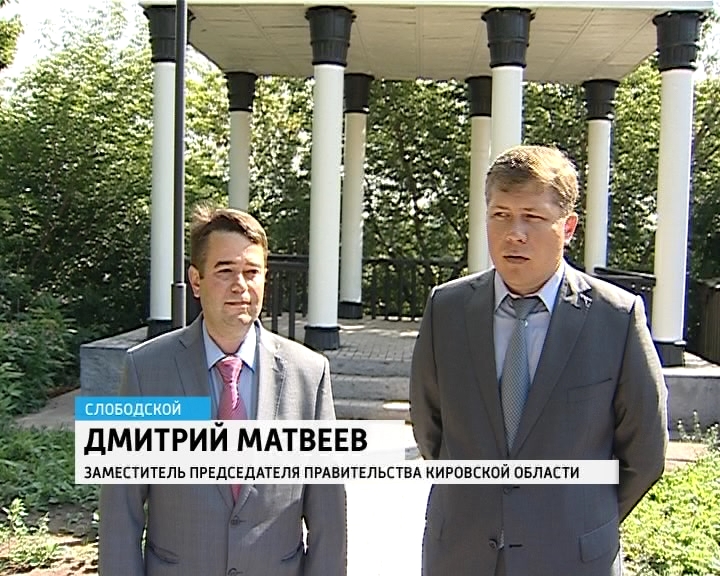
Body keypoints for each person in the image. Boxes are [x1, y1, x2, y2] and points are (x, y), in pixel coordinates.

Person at [410, 145, 667, 576]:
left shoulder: (616, 318)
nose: (515, 233)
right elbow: (430, 427)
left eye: (532, 216)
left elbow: (644, 454)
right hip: (461, 553)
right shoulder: (446, 309)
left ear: (567, 227)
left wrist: (581, 517)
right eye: (501, 215)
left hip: (571, 557)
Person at [99, 206, 346, 576]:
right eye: (225, 270)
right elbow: (121, 515)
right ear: (196, 281)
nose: (240, 285)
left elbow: (329, 519)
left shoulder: (308, 375)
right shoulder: (146, 371)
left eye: (252, 272)